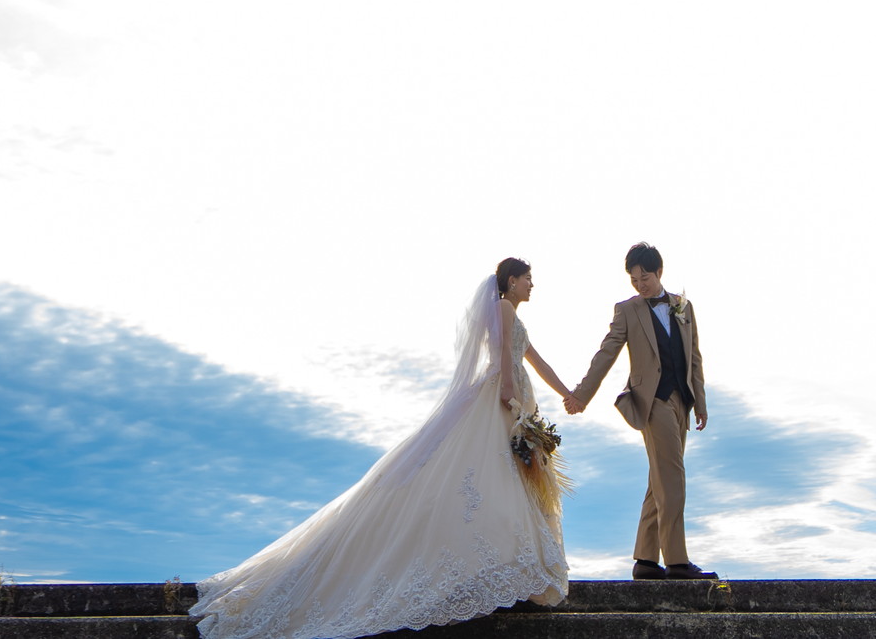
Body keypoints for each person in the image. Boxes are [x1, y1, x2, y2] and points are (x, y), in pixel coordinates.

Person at [192, 258, 576, 639]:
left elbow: (536, 360)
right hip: (502, 399)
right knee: (488, 478)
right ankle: (495, 569)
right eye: (528, 278)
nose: (532, 285)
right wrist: (508, 391)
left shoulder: (514, 315)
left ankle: (509, 570)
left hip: (514, 400)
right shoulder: (504, 306)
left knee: (504, 482)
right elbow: (505, 354)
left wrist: (568, 394)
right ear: (512, 280)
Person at [563, 241, 714, 580]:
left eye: (644, 277)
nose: (640, 285)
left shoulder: (683, 306)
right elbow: (606, 354)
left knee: (659, 479)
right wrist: (581, 395)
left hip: (682, 401)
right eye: (634, 280)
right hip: (652, 402)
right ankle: (677, 562)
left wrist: (700, 403)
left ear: (659, 272)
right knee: (672, 477)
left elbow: (694, 358)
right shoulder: (627, 310)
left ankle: (645, 560)